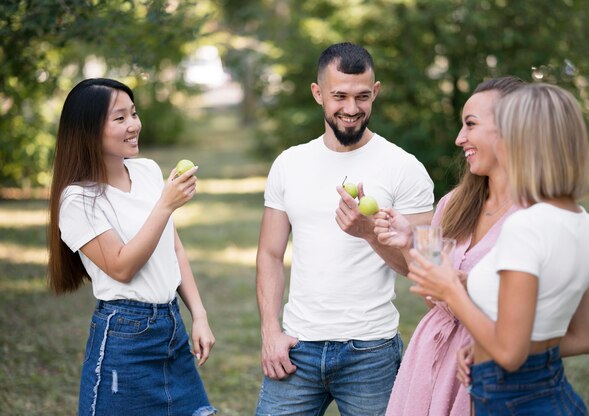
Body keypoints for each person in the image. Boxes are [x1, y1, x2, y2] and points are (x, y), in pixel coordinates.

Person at [254, 42, 434, 416]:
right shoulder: (290, 164)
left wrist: (368, 233)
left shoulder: (405, 168)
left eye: (362, 96)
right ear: (318, 93)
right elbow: (270, 254)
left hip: (371, 352)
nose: (351, 109)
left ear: (376, 92)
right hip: (297, 347)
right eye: (339, 96)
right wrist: (271, 331)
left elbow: (427, 266)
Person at [411, 83, 589, 415]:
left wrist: (452, 289)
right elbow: (584, 337)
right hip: (552, 393)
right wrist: (485, 345)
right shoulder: (581, 220)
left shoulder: (525, 226)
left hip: (511, 402)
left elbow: (510, 353)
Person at [47, 78, 218, 416]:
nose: (134, 125)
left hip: (171, 326)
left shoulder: (148, 171)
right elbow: (122, 267)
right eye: (120, 118)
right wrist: (165, 206)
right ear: (89, 130)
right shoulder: (77, 200)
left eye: (134, 114)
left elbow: (175, 250)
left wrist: (199, 315)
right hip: (125, 337)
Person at [374, 76, 525, 415]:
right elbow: (434, 300)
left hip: (486, 363)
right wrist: (410, 242)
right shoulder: (453, 203)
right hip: (429, 360)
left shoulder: (536, 216)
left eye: (470, 125)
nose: (459, 139)